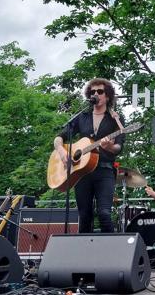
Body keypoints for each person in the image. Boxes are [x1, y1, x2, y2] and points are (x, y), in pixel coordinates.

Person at [54, 78, 124, 233]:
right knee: (84, 216)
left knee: (104, 214)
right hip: (81, 173)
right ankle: (84, 254)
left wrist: (110, 146)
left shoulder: (115, 119)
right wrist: (62, 151)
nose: (96, 94)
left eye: (100, 91)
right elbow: (59, 138)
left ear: (107, 96)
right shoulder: (82, 117)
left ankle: (112, 253)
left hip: (105, 171)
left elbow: (119, 147)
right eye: (93, 92)